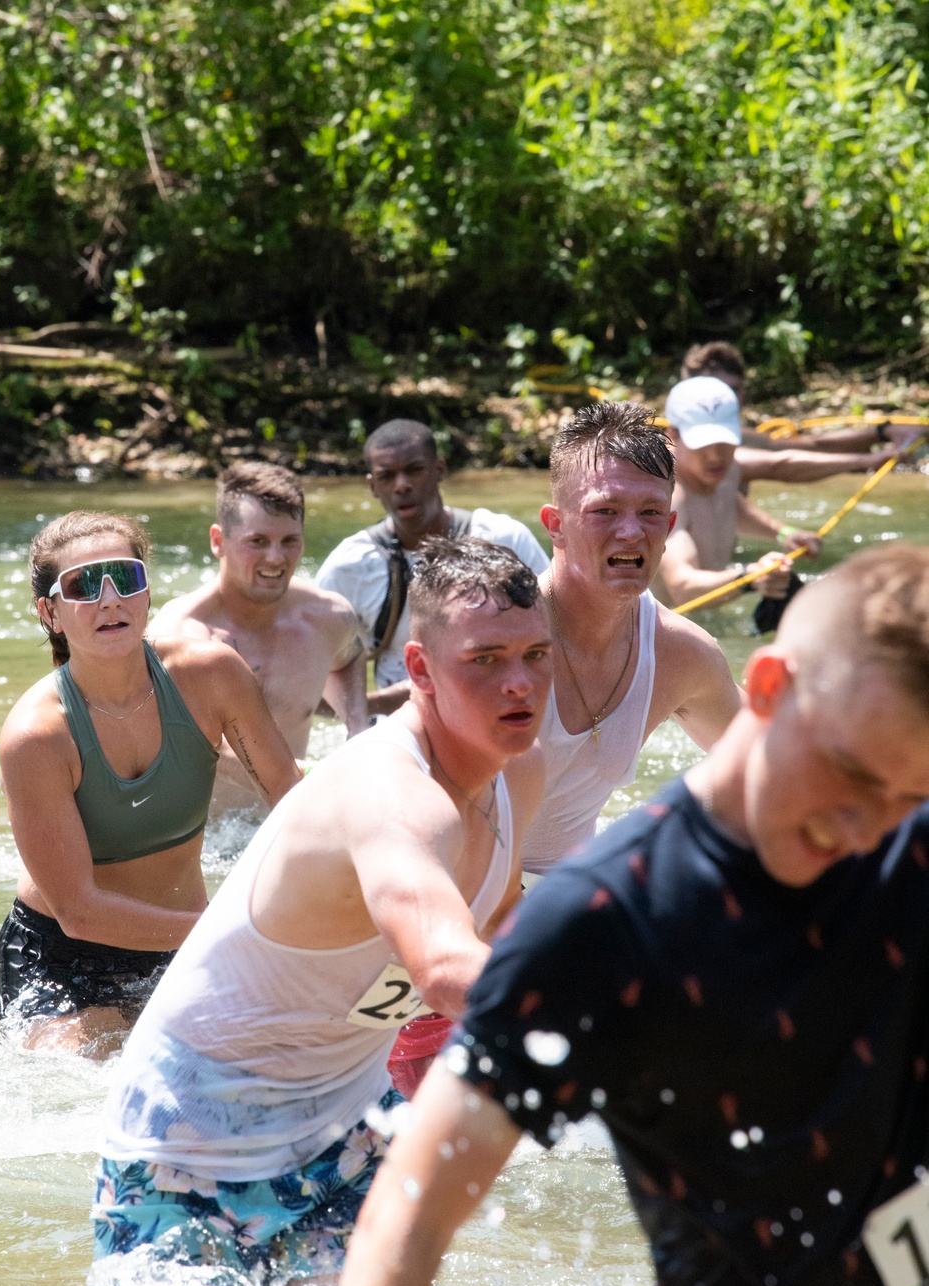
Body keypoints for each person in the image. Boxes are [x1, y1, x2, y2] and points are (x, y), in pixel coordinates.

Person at [318, 542, 929, 1286]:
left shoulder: (908, 843)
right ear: (766, 687)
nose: (867, 830)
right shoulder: (610, 927)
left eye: (907, 797)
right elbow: (407, 1220)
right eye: (851, 776)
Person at [89, 537, 551, 1286]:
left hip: (343, 1126)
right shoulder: (390, 794)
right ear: (420, 667)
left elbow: (502, 924)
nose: (519, 684)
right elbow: (446, 967)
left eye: (536, 654)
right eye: (486, 659)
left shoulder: (518, 772)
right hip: (190, 1133)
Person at [387, 402, 742, 1098]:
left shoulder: (682, 658)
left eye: (649, 512)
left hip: (557, 915)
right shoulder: (494, 642)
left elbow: (774, 777)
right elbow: (402, 799)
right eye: (605, 511)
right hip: (444, 925)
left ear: (672, 525)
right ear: (555, 525)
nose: (630, 532)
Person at [0, 510, 300, 1057]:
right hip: (64, 958)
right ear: (51, 613)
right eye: (84, 586)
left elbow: (292, 799)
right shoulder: (36, 736)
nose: (109, 599)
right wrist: (234, 932)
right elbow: (79, 911)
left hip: (187, 941)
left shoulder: (212, 674)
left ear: (147, 593)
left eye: (125, 578)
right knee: (84, 1093)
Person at [151, 462, 369, 811]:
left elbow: (351, 654)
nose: (276, 558)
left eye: (289, 541)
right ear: (218, 541)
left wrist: (357, 727)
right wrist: (304, 777)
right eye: (258, 541)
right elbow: (181, 742)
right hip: (208, 839)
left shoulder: (329, 619)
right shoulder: (178, 637)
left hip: (287, 821)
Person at [315, 419, 549, 716]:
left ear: (439, 469)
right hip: (396, 725)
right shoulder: (350, 567)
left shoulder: (504, 540)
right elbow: (305, 677)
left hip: (500, 712)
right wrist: (359, 715)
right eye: (387, 476)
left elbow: (557, 633)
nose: (402, 485)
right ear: (372, 486)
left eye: (414, 470)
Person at [657, 375, 907, 613]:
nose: (715, 456)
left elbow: (729, 503)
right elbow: (682, 587)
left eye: (724, 442)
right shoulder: (670, 497)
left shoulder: (726, 472)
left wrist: (783, 533)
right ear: (673, 434)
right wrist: (751, 577)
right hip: (662, 628)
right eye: (702, 444)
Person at [681, 341, 926, 454]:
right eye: (715, 391)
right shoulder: (672, 448)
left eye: (734, 390)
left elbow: (815, 445)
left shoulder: (742, 440)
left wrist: (882, 432)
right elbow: (782, 466)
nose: (727, 400)